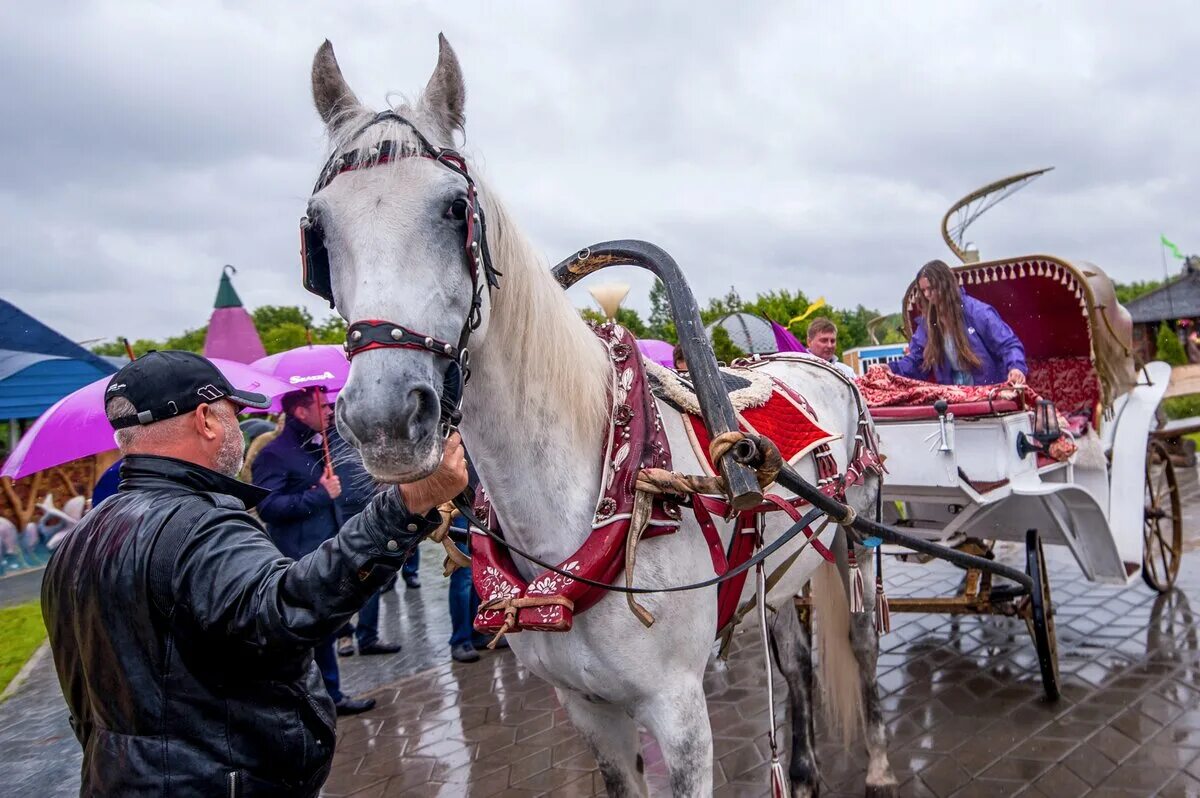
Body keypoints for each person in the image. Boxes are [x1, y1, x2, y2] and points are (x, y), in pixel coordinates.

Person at [42, 350, 467, 796]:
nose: (239, 429)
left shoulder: (78, 539)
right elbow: (288, 610)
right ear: (206, 419)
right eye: (234, 413)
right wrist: (405, 505)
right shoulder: (198, 526)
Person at [252, 388, 379, 713]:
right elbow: (268, 506)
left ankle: (328, 694)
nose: (329, 411)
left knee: (325, 631)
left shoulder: (323, 444)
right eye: (321, 406)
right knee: (313, 634)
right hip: (299, 556)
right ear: (300, 412)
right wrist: (319, 495)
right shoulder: (274, 454)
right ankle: (323, 699)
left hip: (329, 548)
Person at [889, 259, 1027, 386]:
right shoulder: (928, 324)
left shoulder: (978, 312)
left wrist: (1016, 368)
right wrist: (891, 369)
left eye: (931, 288)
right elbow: (916, 360)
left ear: (945, 284)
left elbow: (1008, 345)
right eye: (923, 290)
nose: (927, 295)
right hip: (954, 395)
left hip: (988, 390)